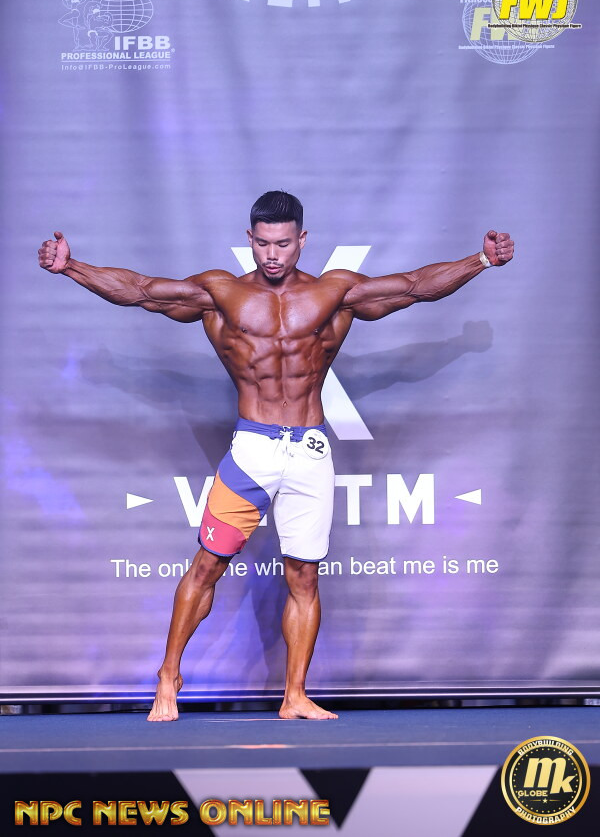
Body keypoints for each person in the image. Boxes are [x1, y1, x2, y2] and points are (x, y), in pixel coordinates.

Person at [37, 190, 514, 721]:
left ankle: (295, 695)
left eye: (283, 244)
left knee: (304, 577)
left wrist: (480, 260)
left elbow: (412, 288)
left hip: (310, 450)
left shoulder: (334, 292)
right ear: (250, 239)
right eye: (263, 243)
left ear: (302, 240)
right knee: (207, 565)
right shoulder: (223, 292)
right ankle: (168, 676)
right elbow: (144, 292)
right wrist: (72, 267)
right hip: (253, 451)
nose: (272, 254)